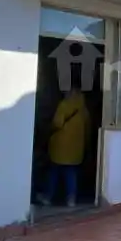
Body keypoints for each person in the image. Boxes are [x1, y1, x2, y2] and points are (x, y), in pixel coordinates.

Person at [37, 74, 90, 208]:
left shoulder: (64, 105)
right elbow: (88, 126)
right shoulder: (83, 107)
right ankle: (71, 199)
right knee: (71, 173)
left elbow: (57, 123)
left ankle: (47, 197)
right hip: (76, 148)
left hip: (60, 146)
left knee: (53, 172)